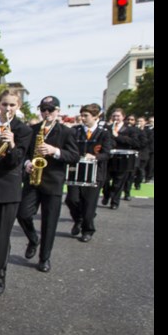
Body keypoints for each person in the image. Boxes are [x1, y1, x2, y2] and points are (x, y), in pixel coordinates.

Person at [16, 96, 79, 272]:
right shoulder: (33, 129)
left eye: (50, 110)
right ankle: (33, 239)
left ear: (57, 111)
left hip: (53, 182)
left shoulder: (67, 132)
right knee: (22, 214)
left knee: (49, 222)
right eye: (43, 109)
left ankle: (45, 258)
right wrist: (27, 164)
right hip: (33, 180)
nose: (46, 113)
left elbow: (74, 156)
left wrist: (55, 151)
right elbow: (24, 153)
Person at [0, 92, 32, 297]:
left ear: (17, 106)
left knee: (2, 236)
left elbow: (16, 160)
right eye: (4, 104)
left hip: (7, 189)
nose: (7, 108)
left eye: (12, 105)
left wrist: (11, 144)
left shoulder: (23, 130)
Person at [65, 104, 113, 243]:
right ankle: (78, 219)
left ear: (96, 117)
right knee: (71, 199)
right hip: (76, 171)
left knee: (89, 204)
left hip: (95, 173)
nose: (83, 118)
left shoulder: (103, 132)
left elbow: (107, 153)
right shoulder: (76, 131)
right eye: (82, 115)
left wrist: (95, 157)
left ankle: (87, 230)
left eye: (86, 116)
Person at [102, 108, 142, 208]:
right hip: (108, 157)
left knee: (118, 181)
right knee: (104, 179)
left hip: (123, 158)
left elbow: (135, 143)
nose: (116, 118)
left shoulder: (130, 129)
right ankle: (106, 194)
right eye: (114, 116)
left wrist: (118, 136)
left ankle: (114, 202)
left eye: (118, 116)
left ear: (123, 117)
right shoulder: (107, 127)